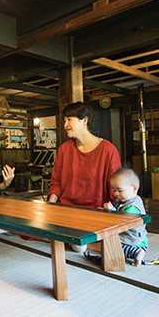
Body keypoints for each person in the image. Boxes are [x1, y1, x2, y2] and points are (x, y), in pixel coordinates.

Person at [48, 102, 121, 252]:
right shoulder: (64, 149)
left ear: (85, 120)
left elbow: (115, 188)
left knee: (79, 246)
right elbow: (56, 182)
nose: (65, 125)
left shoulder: (108, 150)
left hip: (95, 213)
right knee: (28, 229)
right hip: (66, 211)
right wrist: (49, 208)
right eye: (64, 120)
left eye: (69, 120)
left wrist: (111, 213)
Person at [96, 167, 149, 266]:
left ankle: (136, 253)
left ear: (134, 189)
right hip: (137, 238)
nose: (116, 193)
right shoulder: (126, 200)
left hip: (131, 239)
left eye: (120, 190)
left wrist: (111, 211)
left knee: (110, 247)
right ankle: (137, 251)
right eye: (113, 190)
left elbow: (119, 222)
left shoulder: (132, 208)